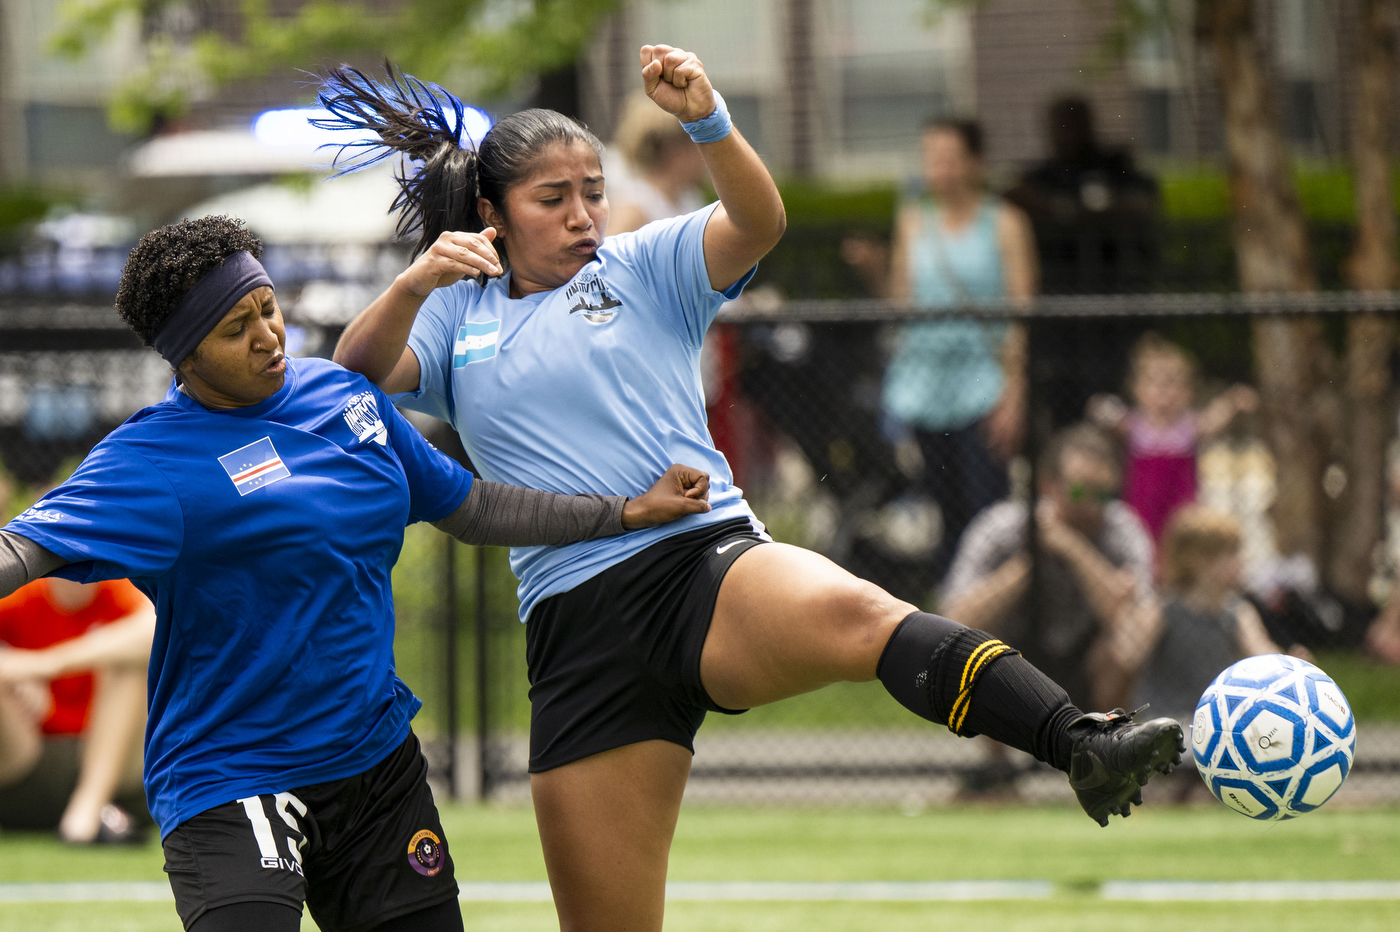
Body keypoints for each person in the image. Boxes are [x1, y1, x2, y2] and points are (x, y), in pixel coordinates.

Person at [324, 48, 1184, 932]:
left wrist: (708, 119)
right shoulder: (457, 312)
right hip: (577, 632)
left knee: (866, 617)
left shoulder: (640, 264)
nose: (583, 215)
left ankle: (1081, 741)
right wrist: (415, 279)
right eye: (554, 199)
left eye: (593, 191)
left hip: (703, 562)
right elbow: (356, 373)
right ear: (490, 213)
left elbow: (759, 219)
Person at [0, 214, 711, 932]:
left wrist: (623, 511)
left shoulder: (347, 400)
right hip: (235, 776)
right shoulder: (149, 461)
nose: (267, 335)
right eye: (233, 329)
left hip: (373, 766)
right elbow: (23, 552)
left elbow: (470, 507)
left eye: (267, 308)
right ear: (184, 357)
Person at [877, 118, 1037, 577]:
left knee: (988, 509)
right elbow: (899, 306)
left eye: (948, 158)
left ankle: (995, 615)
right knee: (942, 510)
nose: (937, 169)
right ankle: (950, 623)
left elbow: (1020, 317)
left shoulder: (1006, 224)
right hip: (924, 387)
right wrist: (874, 270)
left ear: (975, 164)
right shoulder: (911, 222)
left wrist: (1014, 391)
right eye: (931, 159)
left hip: (984, 385)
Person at [941, 424, 1156, 712]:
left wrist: (1074, 549)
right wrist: (1027, 564)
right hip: (1015, 660)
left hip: (1087, 665)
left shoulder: (1122, 528)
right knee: (976, 650)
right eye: (1079, 492)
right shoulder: (1002, 527)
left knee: (1127, 646)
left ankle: (1110, 747)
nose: (1093, 506)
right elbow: (954, 621)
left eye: (1103, 495)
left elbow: (1136, 631)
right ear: (1047, 485)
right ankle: (998, 757)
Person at [1101, 506, 1289, 726]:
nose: (1241, 561)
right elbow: (1129, 657)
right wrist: (1124, 613)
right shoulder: (1161, 609)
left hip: (1215, 722)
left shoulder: (1237, 612)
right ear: (1199, 561)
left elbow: (1261, 653)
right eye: (1231, 554)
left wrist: (1288, 667)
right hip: (1166, 724)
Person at [0, 576, 153, 843]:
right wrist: (12, 665)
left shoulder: (121, 589)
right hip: (30, 759)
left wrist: (45, 664)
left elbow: (155, 628)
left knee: (129, 660)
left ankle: (88, 810)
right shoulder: (21, 594)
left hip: (116, 762)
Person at [1087, 333, 1258, 544]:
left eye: (1174, 385)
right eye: (1156, 385)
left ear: (1188, 391)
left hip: (1182, 513)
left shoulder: (1187, 426)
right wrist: (1102, 409)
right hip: (1142, 512)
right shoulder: (1135, 425)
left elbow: (1213, 419)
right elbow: (1106, 414)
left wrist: (1232, 402)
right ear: (1138, 389)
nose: (1165, 394)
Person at [605, 93, 707, 235]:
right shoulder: (635, 207)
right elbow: (608, 255)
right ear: (674, 150)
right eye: (697, 144)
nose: (704, 156)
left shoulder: (688, 198)